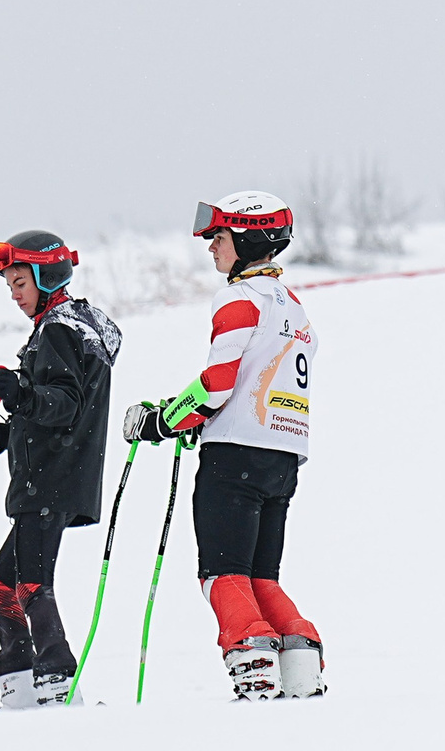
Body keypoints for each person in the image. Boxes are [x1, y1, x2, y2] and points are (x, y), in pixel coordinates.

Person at [123, 193, 322, 702]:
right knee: (261, 577)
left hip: (235, 455)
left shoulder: (239, 299)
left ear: (247, 239)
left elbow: (216, 384)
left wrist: (162, 420)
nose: (212, 248)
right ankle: (300, 665)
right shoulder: (293, 307)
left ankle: (253, 660)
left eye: (219, 237)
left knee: (221, 574)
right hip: (283, 456)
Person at [0, 231, 118, 709]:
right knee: (0, 585)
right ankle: (19, 684)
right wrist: (0, 432)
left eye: (19, 282)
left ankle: (57, 683)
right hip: (54, 476)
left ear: (46, 276)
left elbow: (64, 404)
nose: (14, 295)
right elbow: (51, 411)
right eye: (9, 286)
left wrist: (18, 392)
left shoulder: (58, 329)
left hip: (49, 480)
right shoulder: (70, 328)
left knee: (31, 584)